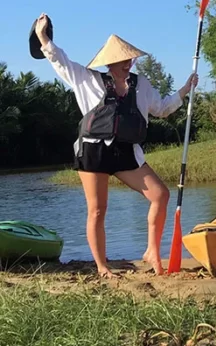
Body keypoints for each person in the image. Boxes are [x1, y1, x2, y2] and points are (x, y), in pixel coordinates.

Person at [34, 14, 197, 278]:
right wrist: (44, 38)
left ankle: (152, 251)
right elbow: (60, 62)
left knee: (160, 195)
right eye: (123, 60)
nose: (128, 63)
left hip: (125, 152)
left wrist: (185, 89)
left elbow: (163, 109)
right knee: (97, 209)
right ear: (110, 63)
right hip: (93, 151)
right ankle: (102, 266)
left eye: (130, 59)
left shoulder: (140, 85)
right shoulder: (88, 80)